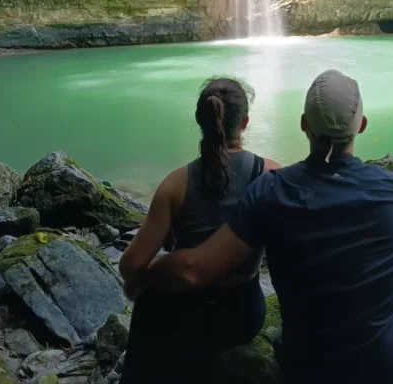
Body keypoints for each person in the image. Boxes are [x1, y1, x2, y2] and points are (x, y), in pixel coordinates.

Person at [143, 69, 393, 384]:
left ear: (304, 125)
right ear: (361, 125)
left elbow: (194, 269)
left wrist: (146, 274)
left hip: (307, 369)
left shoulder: (269, 192)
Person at [119, 77, 280, 384]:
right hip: (242, 315)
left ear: (199, 120)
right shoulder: (270, 174)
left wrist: (144, 282)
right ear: (244, 123)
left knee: (149, 304)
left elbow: (131, 265)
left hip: (181, 315)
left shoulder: (176, 183)